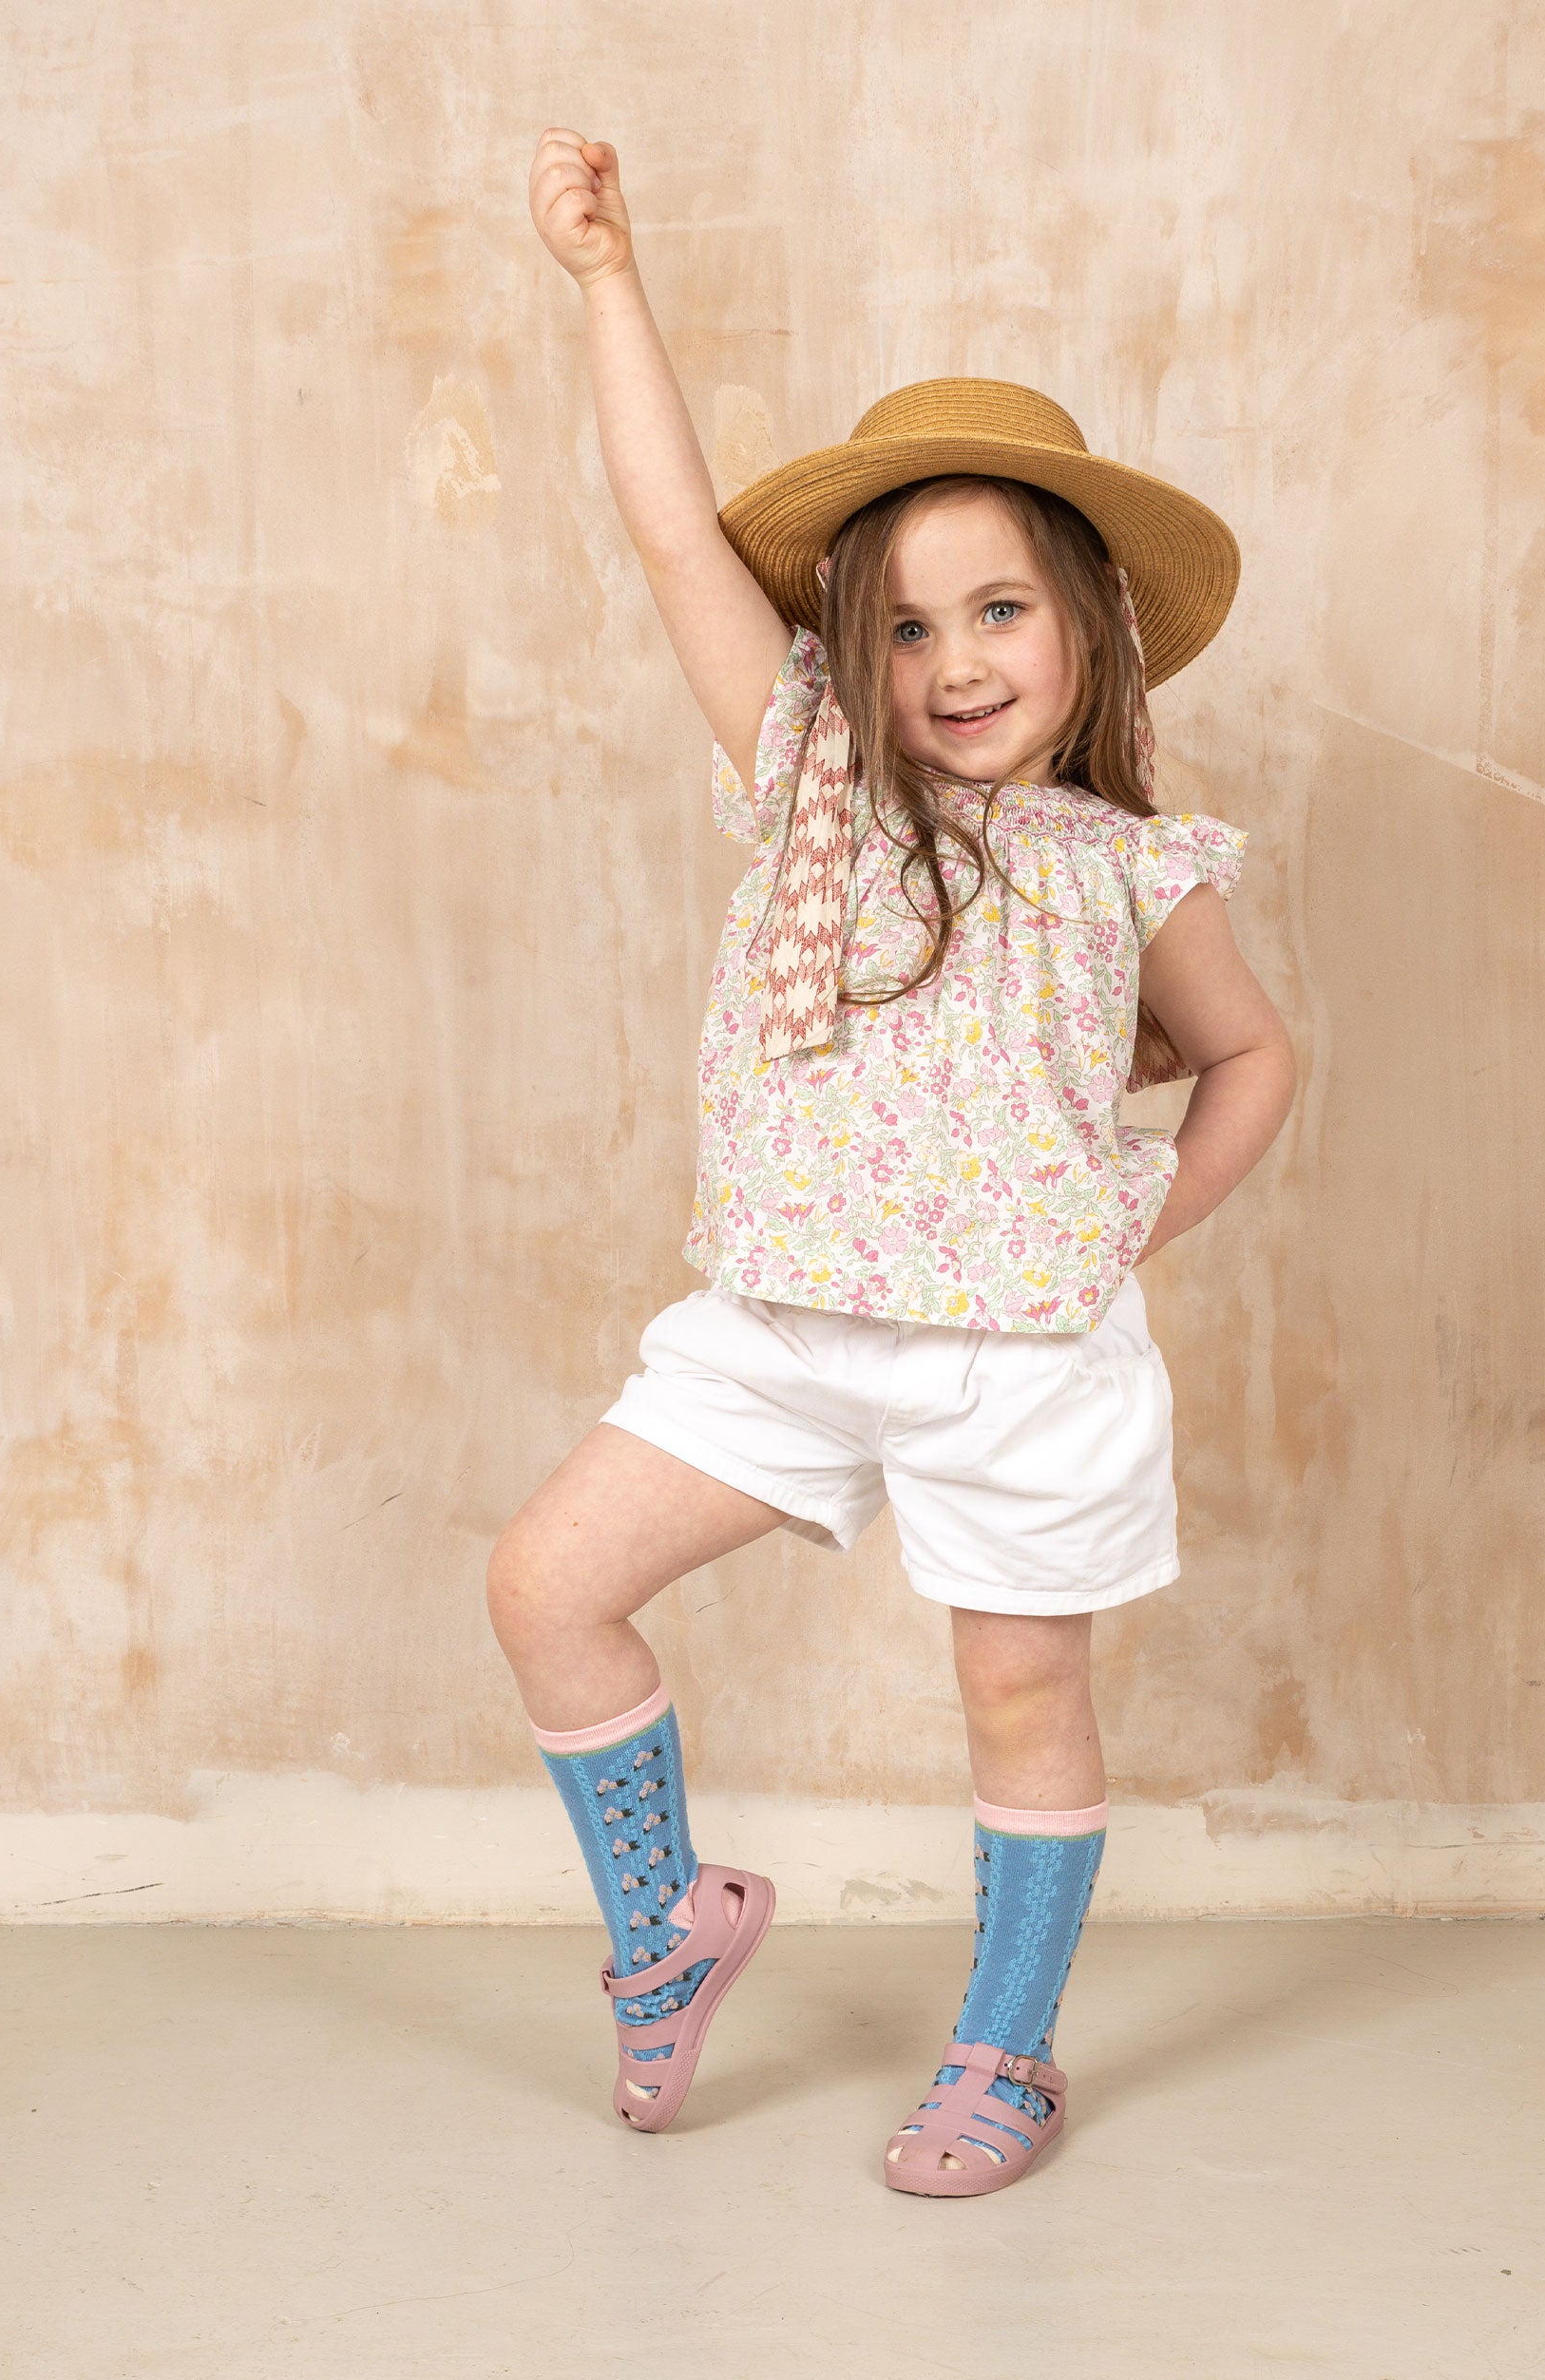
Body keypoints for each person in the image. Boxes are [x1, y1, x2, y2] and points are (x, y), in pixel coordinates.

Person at [491, 127, 1296, 2198]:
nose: (956, 661)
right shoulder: (809, 785)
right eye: (912, 621)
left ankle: (1003, 2051)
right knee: (546, 1584)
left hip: (1016, 1354)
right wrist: (604, 276)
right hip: (779, 1320)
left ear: (1090, 626)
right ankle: (667, 1924)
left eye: (1002, 607)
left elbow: (1249, 1057)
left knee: (1019, 1689)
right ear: (854, 646)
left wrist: (1138, 1209)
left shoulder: (1130, 866)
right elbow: (678, 542)